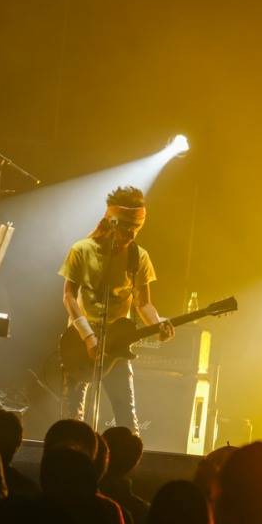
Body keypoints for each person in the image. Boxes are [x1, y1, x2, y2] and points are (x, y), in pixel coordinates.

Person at [59, 185, 174, 432]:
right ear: (111, 221)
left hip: (117, 345)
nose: (131, 234)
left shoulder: (139, 257)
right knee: (72, 418)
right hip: (79, 340)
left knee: (127, 420)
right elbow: (69, 296)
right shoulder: (81, 250)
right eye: (126, 227)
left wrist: (157, 325)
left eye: (136, 228)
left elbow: (144, 303)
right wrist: (88, 336)